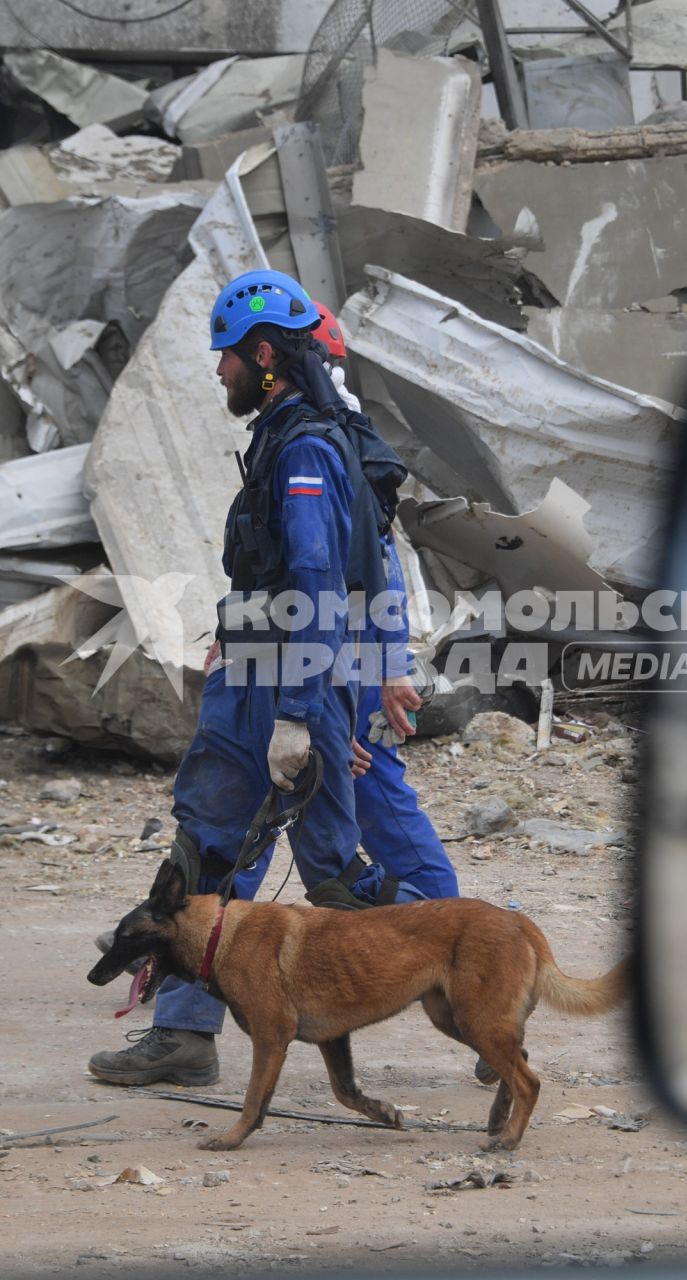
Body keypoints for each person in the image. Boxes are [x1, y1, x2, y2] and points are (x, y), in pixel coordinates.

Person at [88, 270, 420, 1088]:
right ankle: (185, 1036)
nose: (219, 372)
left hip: (282, 690)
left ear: (265, 355)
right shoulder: (286, 431)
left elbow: (314, 580)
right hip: (259, 680)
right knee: (206, 859)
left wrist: (301, 716)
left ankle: (467, 967)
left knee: (338, 879)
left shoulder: (304, 448)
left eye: (228, 358)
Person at [313, 301, 460, 903]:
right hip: (341, 660)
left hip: (332, 661)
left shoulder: (318, 448)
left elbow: (349, 573)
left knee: (258, 802)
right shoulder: (339, 438)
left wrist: (388, 669)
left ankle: (434, 924)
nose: (223, 371)